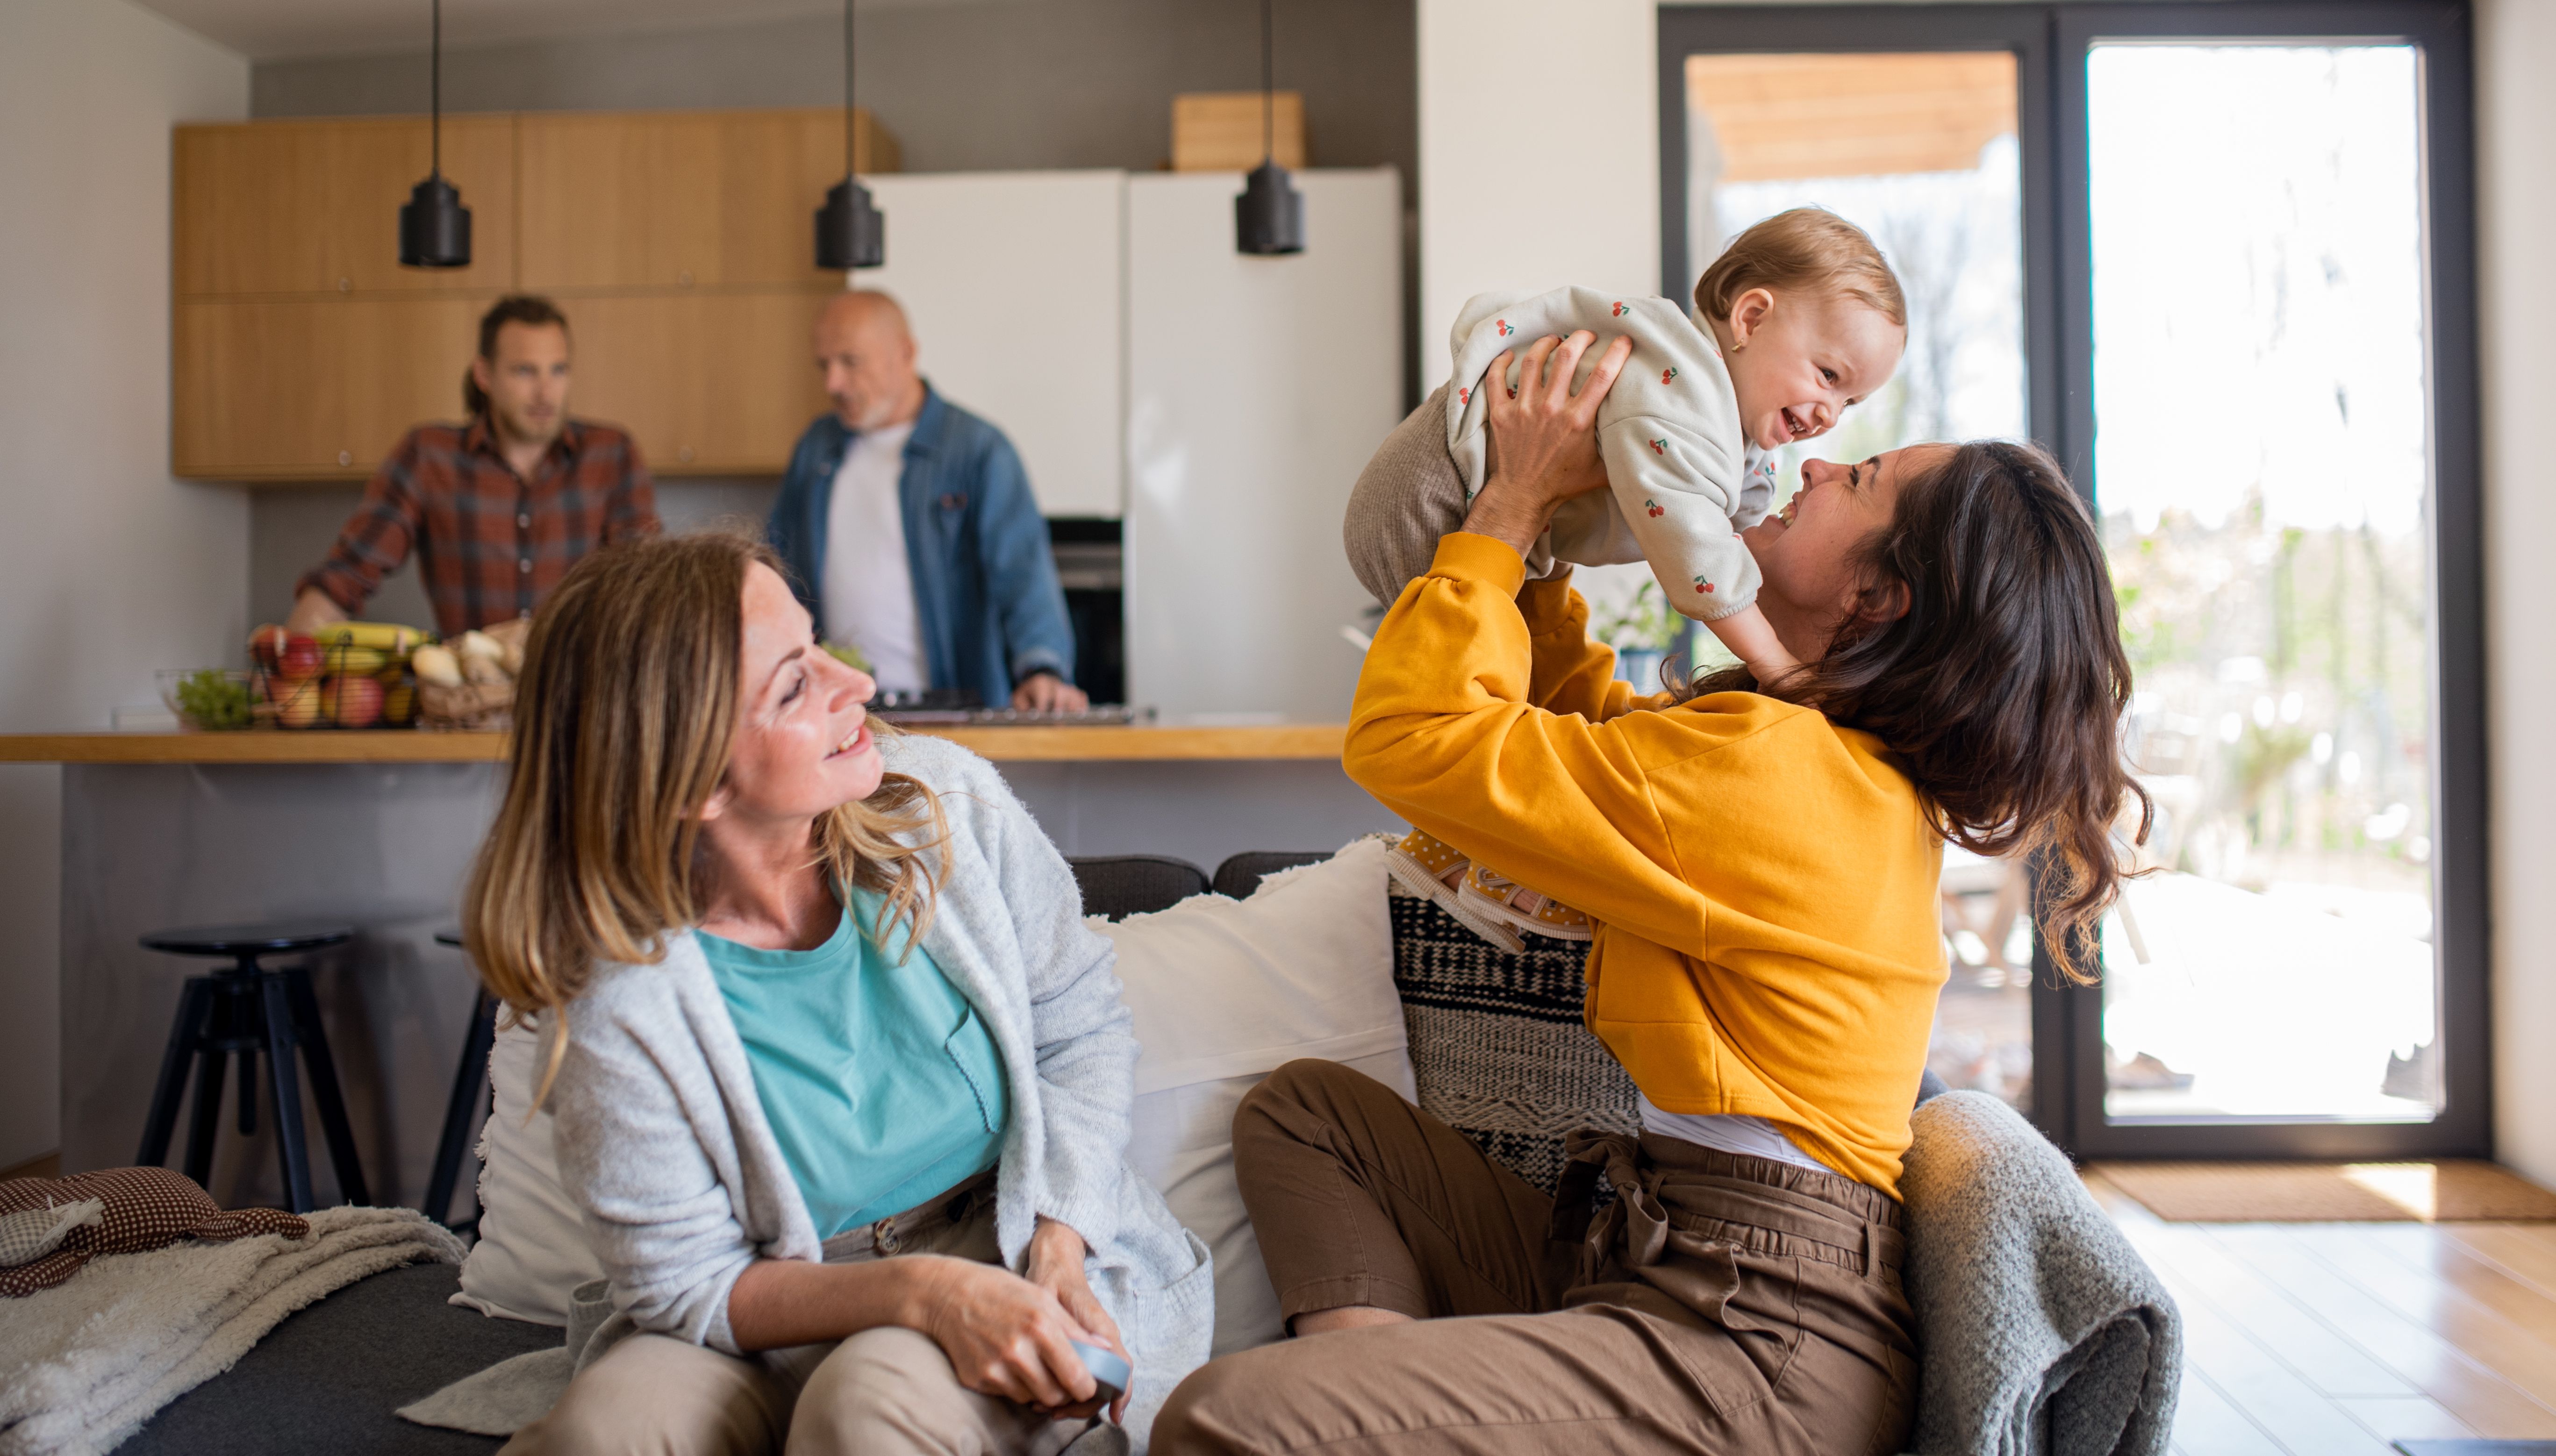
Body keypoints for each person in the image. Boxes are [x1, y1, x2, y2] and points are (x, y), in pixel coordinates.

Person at [1156, 329, 2146, 1456]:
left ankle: (1351, 1416)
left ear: (1879, 594)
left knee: (1218, 1416)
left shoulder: (1785, 780)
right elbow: (1594, 739)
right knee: (1312, 1113)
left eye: (1860, 479)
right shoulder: (1811, 761)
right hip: (1658, 1247)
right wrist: (1541, 539)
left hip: (1759, 1338)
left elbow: (1411, 740)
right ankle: (1377, 1394)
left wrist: (1514, 508)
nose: (1820, 462)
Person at [464, 531, 1211, 1456]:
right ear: (693, 777)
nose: (854, 683)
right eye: (793, 683)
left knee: (869, 1406)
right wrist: (917, 1292)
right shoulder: (620, 992)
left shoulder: (953, 810)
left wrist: (1059, 1243)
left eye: (819, 644)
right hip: (773, 1304)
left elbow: (1081, 1032)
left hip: (1005, 1244)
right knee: (608, 1431)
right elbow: (687, 1283)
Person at [1344, 208, 1906, 942]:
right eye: (1828, 377)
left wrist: (1519, 506)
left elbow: (1731, 517)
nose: (1829, 428)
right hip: (1424, 498)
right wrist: (1777, 665)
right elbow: (1695, 550)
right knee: (1479, 712)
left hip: (1490, 526)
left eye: (1852, 405)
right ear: (1751, 315)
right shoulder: (1682, 385)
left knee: (1487, 720)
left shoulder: (1731, 426)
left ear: (1881, 599)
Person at [767, 291, 1086, 714]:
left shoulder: (978, 450)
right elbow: (777, 572)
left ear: (906, 353)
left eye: (850, 362)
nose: (833, 384)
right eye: (824, 365)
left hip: (954, 712)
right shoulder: (815, 448)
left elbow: (1023, 573)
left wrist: (1042, 668)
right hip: (842, 713)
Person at [289, 294, 659, 639]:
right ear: (484, 376)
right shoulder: (428, 456)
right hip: (465, 697)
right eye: (525, 372)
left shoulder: (611, 455)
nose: (546, 393)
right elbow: (349, 573)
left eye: (558, 370)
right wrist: (288, 661)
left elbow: (646, 590)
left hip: (579, 693)